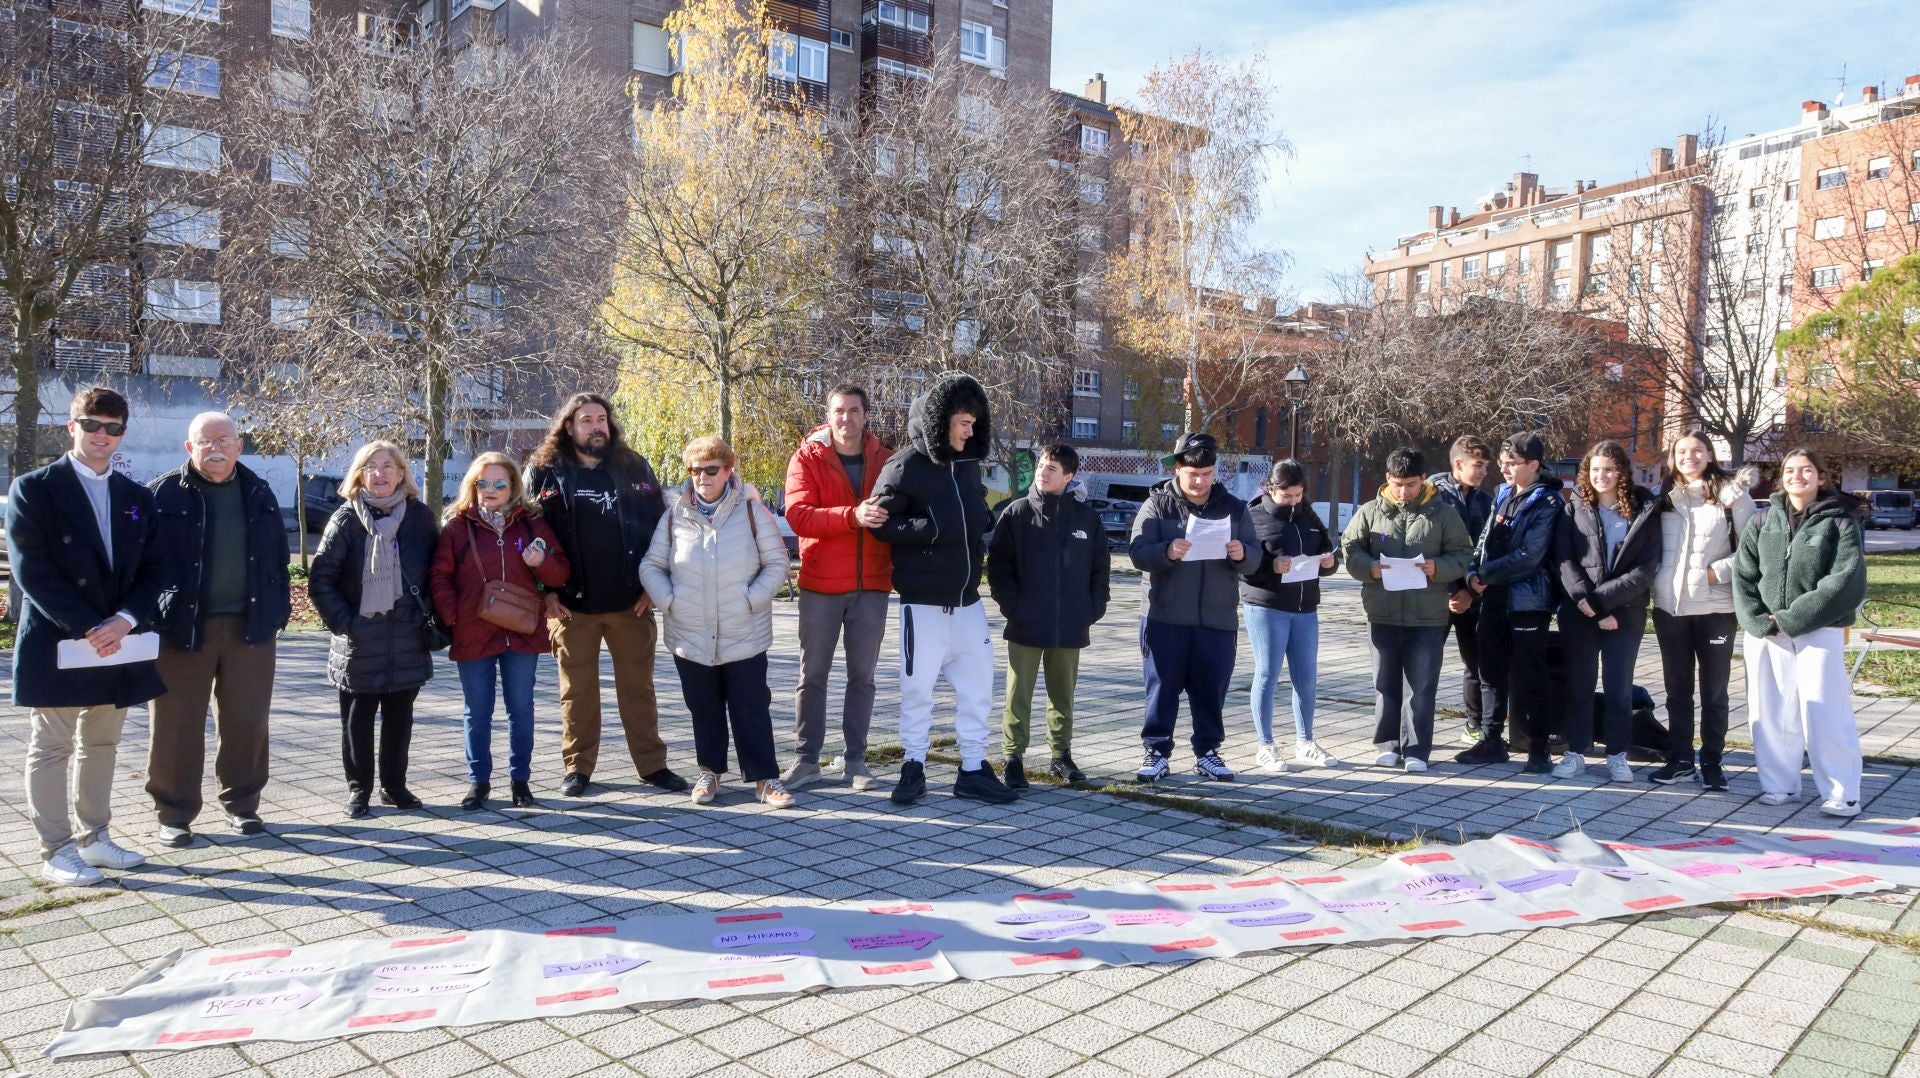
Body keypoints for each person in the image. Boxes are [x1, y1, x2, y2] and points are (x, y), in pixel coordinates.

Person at [7, 386, 166, 886]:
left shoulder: (136, 497)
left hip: (118, 637)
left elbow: (157, 570)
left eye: (113, 428)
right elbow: (31, 569)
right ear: (71, 425)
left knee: (102, 743)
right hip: (60, 636)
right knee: (52, 745)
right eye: (92, 424)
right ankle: (55, 849)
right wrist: (88, 627)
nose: (102, 436)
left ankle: (94, 838)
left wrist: (124, 620)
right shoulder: (33, 488)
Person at [525, 393, 688, 798]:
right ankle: (577, 769)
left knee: (639, 689)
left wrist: (654, 586)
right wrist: (545, 592)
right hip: (569, 608)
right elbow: (526, 536)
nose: (596, 426)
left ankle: (652, 766)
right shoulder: (543, 472)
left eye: (601, 418)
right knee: (576, 693)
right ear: (569, 427)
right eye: (586, 420)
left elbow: (662, 529)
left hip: (629, 604)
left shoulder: (633, 466)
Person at [145, 412, 292, 847]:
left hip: (251, 629)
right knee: (175, 725)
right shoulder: (163, 493)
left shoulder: (259, 491)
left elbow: (278, 560)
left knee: (247, 722)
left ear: (239, 445)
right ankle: (174, 813)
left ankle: (243, 805)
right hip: (183, 629)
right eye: (205, 442)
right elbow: (144, 563)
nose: (215, 448)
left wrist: (278, 611)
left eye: (223, 440)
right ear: (189, 448)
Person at [869, 371, 1013, 806]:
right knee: (917, 689)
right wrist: (930, 529)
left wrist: (981, 518)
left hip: (968, 600)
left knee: (977, 688)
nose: (971, 431)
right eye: (963, 423)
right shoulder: (903, 466)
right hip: (924, 604)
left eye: (974, 424)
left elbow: (971, 509)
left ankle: (973, 768)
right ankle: (913, 765)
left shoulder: (967, 464)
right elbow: (880, 524)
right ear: (941, 420)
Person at [640, 437, 796, 808]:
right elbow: (651, 565)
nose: (702, 477)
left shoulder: (752, 512)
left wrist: (750, 599)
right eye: (695, 470)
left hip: (743, 629)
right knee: (703, 706)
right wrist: (670, 602)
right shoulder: (674, 515)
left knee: (751, 706)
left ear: (728, 470)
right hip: (690, 631)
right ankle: (709, 773)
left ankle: (764, 778)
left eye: (711, 469)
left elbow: (777, 564)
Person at [430, 452, 571, 812]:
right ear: (472, 486)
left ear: (513, 488)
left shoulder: (532, 525)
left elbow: (560, 573)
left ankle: (520, 781)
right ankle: (478, 783)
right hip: (473, 630)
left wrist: (542, 563)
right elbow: (439, 576)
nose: (490, 490)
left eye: (499, 483)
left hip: (521, 631)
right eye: (483, 483)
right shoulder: (457, 527)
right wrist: (453, 616)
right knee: (477, 710)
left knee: (521, 708)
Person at [308, 441, 441, 818]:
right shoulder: (346, 520)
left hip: (406, 636)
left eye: (388, 466)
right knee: (357, 721)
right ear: (359, 474)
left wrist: (426, 615)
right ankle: (359, 790)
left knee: (400, 719)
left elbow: (438, 574)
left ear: (402, 473)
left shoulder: (419, 519)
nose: (380, 473)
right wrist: (345, 623)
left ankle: (394, 787)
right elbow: (322, 581)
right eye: (371, 466)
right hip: (358, 639)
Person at [1733, 447, 1867, 817]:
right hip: (1767, 632)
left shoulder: (1841, 522)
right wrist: (1758, 620)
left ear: (1821, 477)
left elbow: (1843, 581)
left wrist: (1792, 618)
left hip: (1819, 629)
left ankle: (1843, 793)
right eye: (1790, 470)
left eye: (1806, 470)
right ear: (1781, 478)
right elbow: (1743, 576)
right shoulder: (1762, 521)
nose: (1797, 476)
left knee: (1825, 711)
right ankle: (1780, 786)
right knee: (1772, 711)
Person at [780, 385, 893, 792]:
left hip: (872, 585)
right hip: (821, 584)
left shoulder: (886, 459)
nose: (847, 418)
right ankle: (806, 760)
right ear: (828, 416)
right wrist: (852, 516)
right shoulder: (807, 458)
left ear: (866, 415)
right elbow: (798, 515)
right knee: (812, 676)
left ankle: (856, 761)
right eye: (839, 411)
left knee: (863, 676)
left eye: (854, 411)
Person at [1128, 432, 1258, 784]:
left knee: (1211, 689)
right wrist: (1167, 552)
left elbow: (1255, 556)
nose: (1200, 481)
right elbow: (1138, 552)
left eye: (1207, 474)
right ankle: (1156, 753)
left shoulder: (1233, 507)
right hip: (1165, 617)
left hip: (1216, 618)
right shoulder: (1157, 504)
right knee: (1161, 688)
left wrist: (1242, 554)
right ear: (1179, 468)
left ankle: (1208, 752)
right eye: (1192, 474)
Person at [1341, 447, 1473, 772]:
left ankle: (1417, 751)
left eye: (1411, 484)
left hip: (1427, 617)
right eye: (1397, 484)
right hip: (1382, 613)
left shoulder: (1443, 514)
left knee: (1422, 687)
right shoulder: (1371, 511)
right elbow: (1350, 547)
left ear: (1423, 480)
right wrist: (1368, 568)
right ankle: (1387, 745)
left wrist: (1437, 568)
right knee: (1385, 684)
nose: (1403, 492)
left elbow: (1462, 553)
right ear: (1387, 479)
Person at [986, 443, 1110, 787]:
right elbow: (998, 567)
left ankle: (1061, 756)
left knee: (1062, 696)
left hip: (1070, 625)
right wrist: (1013, 607)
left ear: (1069, 477)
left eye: (1052, 468)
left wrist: (1091, 609)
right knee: (1018, 694)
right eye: (1042, 465)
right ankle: (1012, 758)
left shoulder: (1087, 519)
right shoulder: (1017, 513)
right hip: (1025, 623)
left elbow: (1101, 568)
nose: (1043, 471)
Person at [1649, 431, 1755, 791]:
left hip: (1716, 607)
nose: (1689, 456)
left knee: (1714, 693)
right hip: (1670, 607)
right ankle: (1679, 760)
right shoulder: (1662, 497)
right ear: (1672, 457)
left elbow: (1753, 550)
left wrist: (1716, 572)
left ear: (1709, 455)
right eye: (1681, 451)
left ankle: (1712, 763)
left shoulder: (1732, 496)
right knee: (1678, 690)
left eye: (1697, 450)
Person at [1553, 441, 1661, 783]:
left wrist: (1601, 604)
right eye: (1596, 469)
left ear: (1622, 473)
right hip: (1579, 611)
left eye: (1609, 469)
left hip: (1624, 613)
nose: (1602, 475)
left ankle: (1617, 754)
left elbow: (1645, 570)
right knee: (1580, 686)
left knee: (1619, 689)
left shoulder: (1644, 510)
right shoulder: (1575, 507)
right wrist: (1586, 601)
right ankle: (1576, 752)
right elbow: (1564, 559)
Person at [1456, 432, 1566, 771]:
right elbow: (1485, 539)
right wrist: (1474, 570)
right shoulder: (1502, 493)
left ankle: (1538, 748)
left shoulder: (1548, 501)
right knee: (1489, 670)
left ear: (1533, 465)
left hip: (1527, 600)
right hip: (1493, 599)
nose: (1504, 470)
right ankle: (1491, 740)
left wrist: (1486, 573)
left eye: (1512, 464)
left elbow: (1530, 555)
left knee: (1531, 675)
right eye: (1502, 463)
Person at [1240, 458, 1338, 772]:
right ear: (1271, 488)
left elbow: (1329, 552)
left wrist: (1328, 564)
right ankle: (1265, 746)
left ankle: (1305, 742)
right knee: (1268, 675)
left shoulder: (1307, 515)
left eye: (1298, 495)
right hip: (1267, 607)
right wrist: (1271, 566)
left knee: (1306, 679)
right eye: (1287, 496)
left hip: (1305, 608)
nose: (1293, 501)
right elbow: (1242, 566)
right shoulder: (1253, 517)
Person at [1429, 435, 1493, 746]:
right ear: (1458, 464)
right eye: (1478, 465)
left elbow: (1486, 550)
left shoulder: (1485, 500)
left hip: (1472, 596)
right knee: (1426, 663)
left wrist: (1470, 592)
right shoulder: (1432, 496)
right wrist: (1450, 591)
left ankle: (1474, 725)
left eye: (1486, 466)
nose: (1483, 472)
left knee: (1476, 663)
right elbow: (1428, 546)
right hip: (1437, 594)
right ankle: (1418, 724)